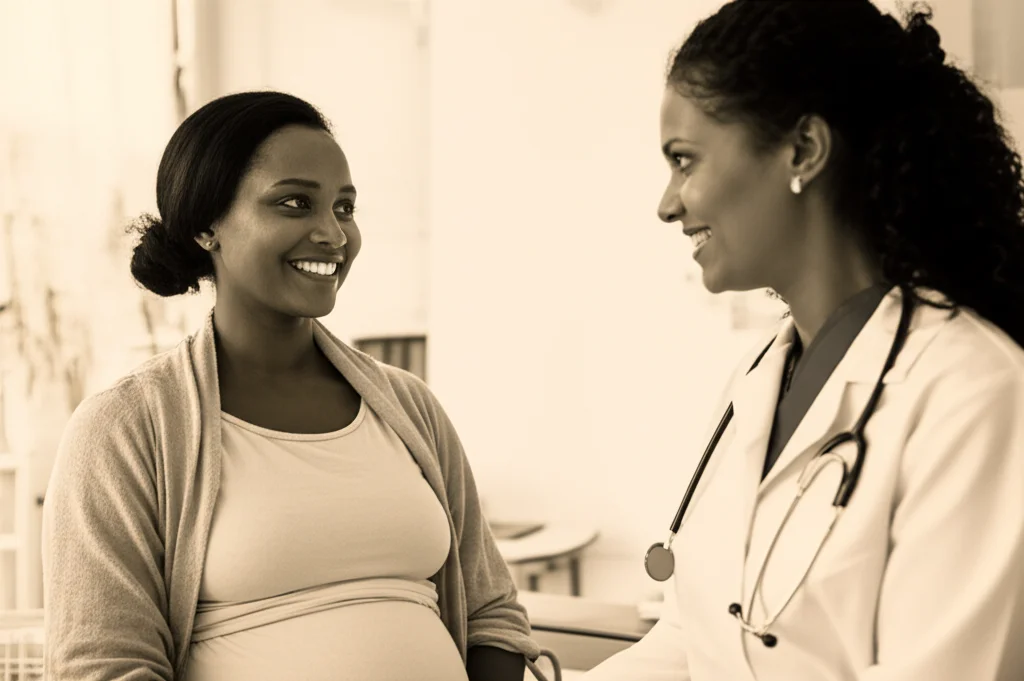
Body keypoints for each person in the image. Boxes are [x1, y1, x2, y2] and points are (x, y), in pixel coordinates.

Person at [42, 91, 556, 681]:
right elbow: (103, 664)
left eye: (344, 207)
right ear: (208, 225)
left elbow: (491, 612)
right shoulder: (125, 428)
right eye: (294, 203)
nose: (334, 235)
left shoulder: (410, 407)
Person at [585, 1, 1024, 680]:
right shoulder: (760, 378)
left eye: (684, 160)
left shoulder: (973, 390)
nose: (667, 203)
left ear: (803, 150)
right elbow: (693, 637)